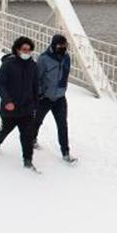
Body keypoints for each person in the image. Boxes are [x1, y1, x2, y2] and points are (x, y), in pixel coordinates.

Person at [0, 37, 40, 172]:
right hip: (10, 108)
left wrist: (35, 104)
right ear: (17, 49)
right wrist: (7, 101)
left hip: (27, 109)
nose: (27, 52)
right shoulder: (8, 64)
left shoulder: (33, 65)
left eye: (29, 50)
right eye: (24, 49)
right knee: (5, 131)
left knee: (27, 136)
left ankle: (28, 161)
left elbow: (36, 86)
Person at [35, 34, 77, 163]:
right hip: (45, 98)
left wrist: (62, 90)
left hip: (60, 98)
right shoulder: (43, 59)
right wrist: (40, 93)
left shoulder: (66, 58)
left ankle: (65, 152)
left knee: (62, 125)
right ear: (54, 45)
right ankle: (31, 140)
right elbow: (37, 78)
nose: (63, 48)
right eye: (60, 45)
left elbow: (64, 75)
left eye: (65, 46)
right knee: (37, 121)